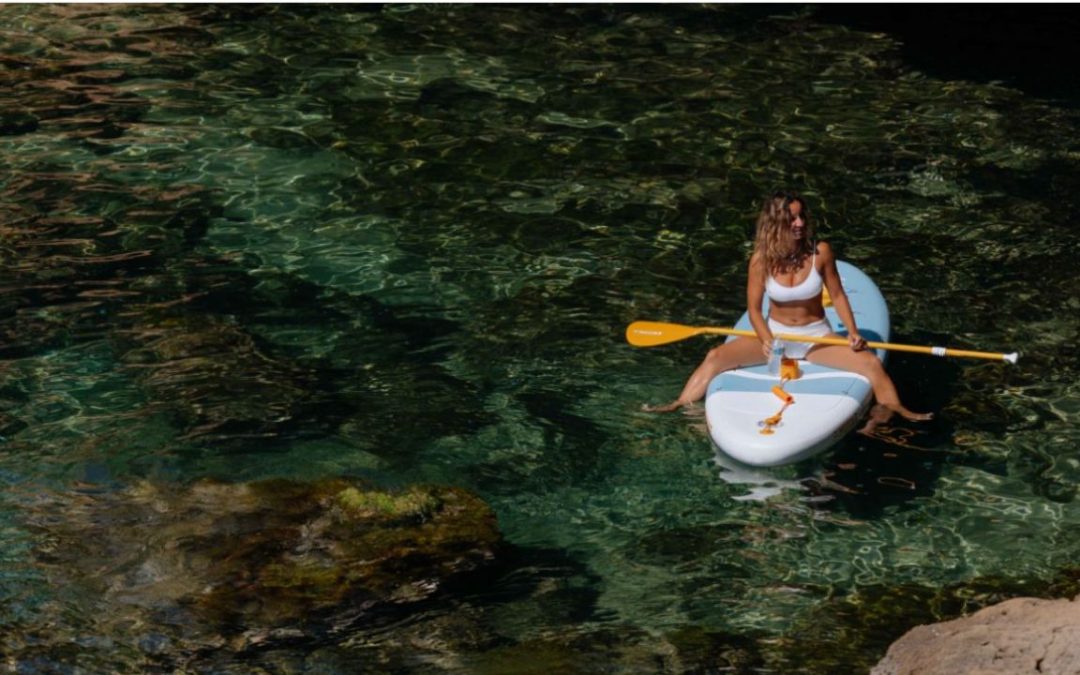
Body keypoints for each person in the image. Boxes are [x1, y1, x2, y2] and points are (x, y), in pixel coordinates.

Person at [646, 191, 932, 425]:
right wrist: (766, 340)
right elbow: (755, 311)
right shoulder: (760, 260)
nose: (799, 223)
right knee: (715, 356)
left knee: (870, 363)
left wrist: (853, 333)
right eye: (791, 218)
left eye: (801, 216)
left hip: (815, 338)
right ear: (775, 223)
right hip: (777, 338)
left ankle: (893, 411)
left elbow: (838, 295)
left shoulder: (820, 252)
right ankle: (679, 404)